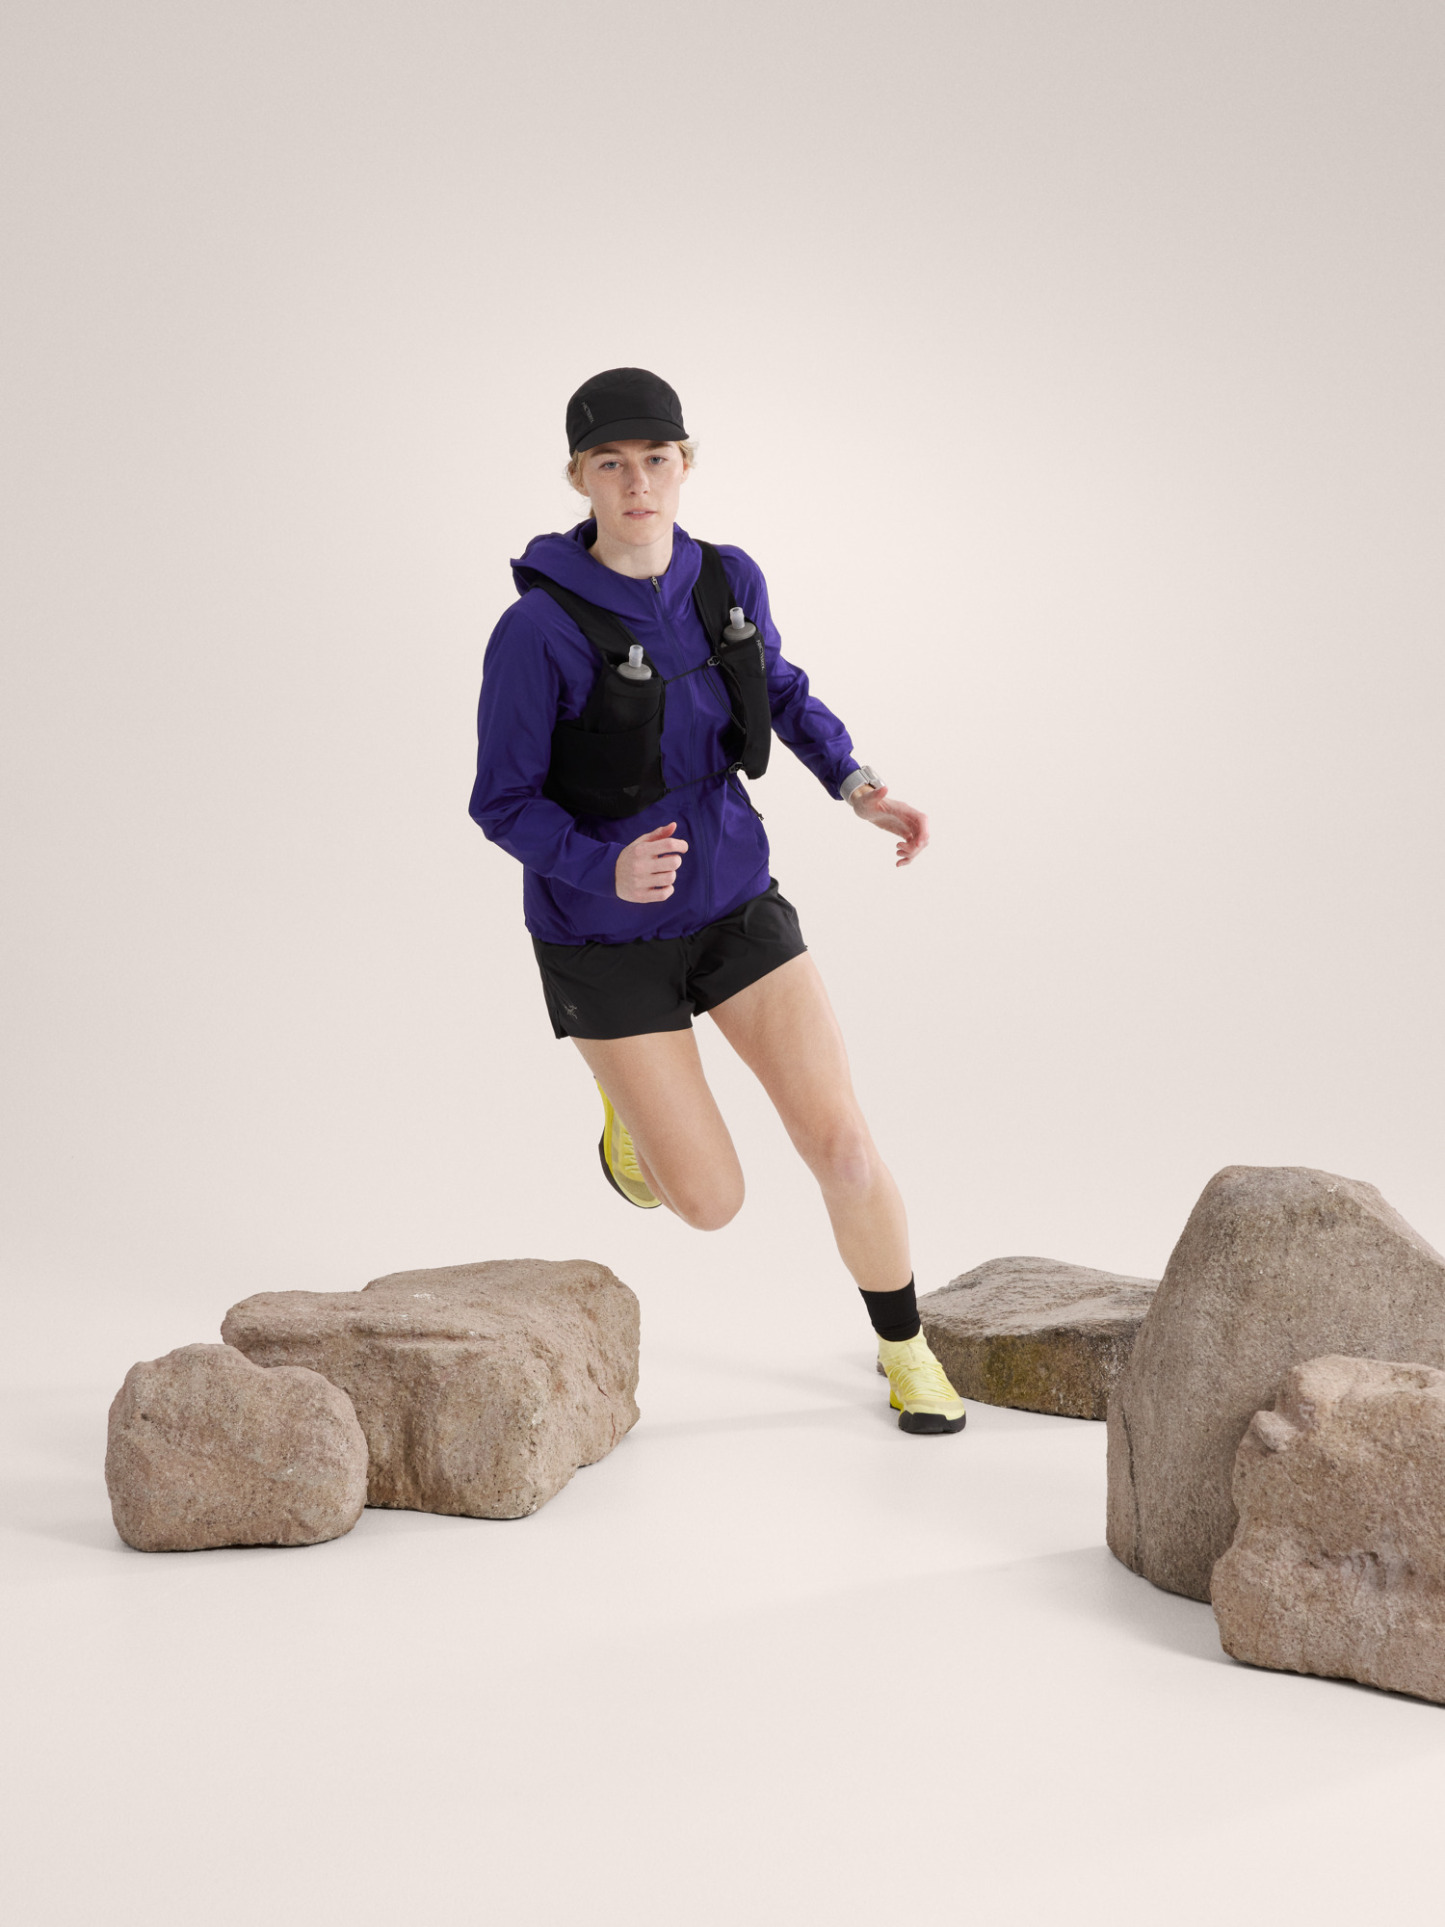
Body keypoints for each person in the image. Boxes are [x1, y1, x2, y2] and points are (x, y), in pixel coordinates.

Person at [469, 368, 966, 1433]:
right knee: (708, 1202)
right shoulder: (536, 629)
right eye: (610, 463)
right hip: (601, 933)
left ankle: (905, 1347)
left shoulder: (727, 580)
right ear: (578, 478)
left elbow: (775, 688)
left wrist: (856, 785)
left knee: (841, 1144)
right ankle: (625, 1107)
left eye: (656, 459)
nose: (636, 482)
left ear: (685, 465)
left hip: (733, 897)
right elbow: (498, 801)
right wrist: (600, 864)